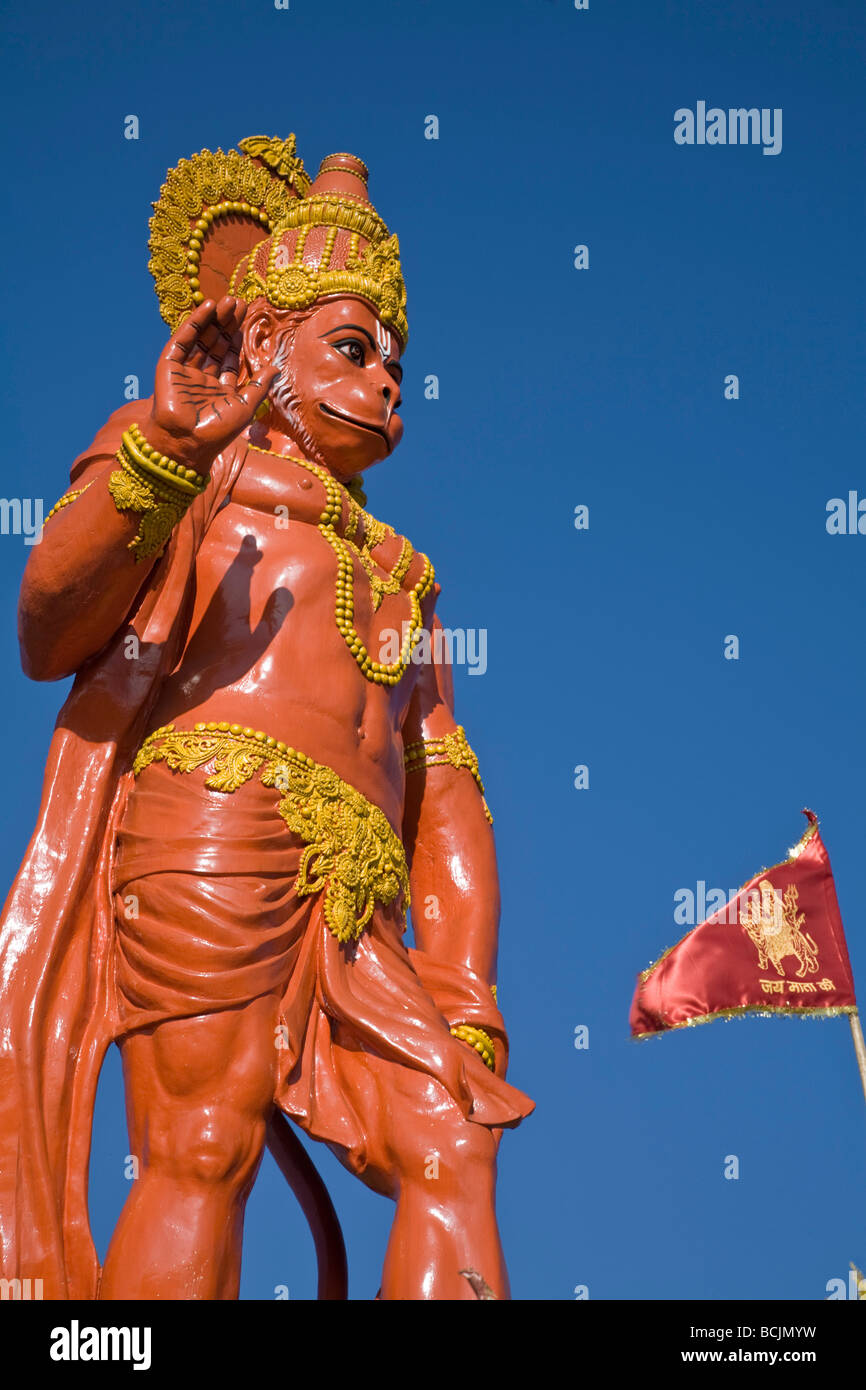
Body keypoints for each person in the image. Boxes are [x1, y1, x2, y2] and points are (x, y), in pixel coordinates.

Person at [0, 139, 533, 1301]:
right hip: (207, 832)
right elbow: (48, 626)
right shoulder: (191, 466)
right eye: (351, 348)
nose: (387, 383)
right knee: (202, 1144)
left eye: (395, 362)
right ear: (260, 344)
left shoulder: (402, 569)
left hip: (355, 899)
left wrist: (466, 992)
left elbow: (445, 795)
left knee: (453, 1137)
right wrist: (168, 448)